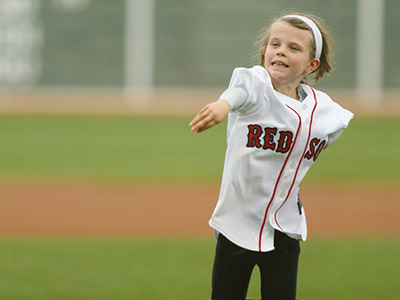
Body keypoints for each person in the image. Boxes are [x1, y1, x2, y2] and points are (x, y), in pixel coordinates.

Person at [189, 13, 354, 300]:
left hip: (285, 226)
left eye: (294, 47)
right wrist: (222, 106)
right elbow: (238, 92)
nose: (280, 50)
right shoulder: (256, 86)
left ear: (312, 64)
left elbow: (330, 132)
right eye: (274, 43)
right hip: (236, 224)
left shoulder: (324, 109)